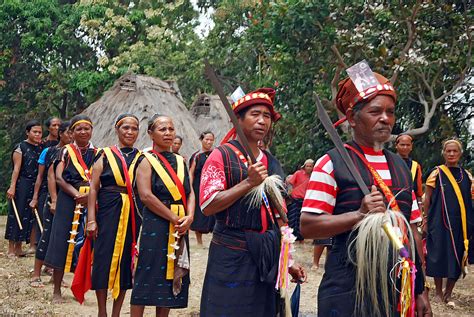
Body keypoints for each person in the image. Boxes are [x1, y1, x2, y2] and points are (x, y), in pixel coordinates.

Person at [300, 73, 431, 317]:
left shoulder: (402, 167)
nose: (385, 118)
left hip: (397, 286)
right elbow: (308, 226)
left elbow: (412, 230)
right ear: (351, 117)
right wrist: (359, 214)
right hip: (348, 287)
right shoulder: (331, 163)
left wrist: (420, 289)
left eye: (390, 112)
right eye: (375, 112)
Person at [199, 88, 306, 316]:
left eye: (267, 116)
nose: (262, 121)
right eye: (255, 114)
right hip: (231, 253)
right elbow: (208, 206)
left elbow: (281, 217)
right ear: (239, 119)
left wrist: (287, 260)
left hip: (266, 254)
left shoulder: (272, 162)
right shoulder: (221, 155)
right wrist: (249, 182)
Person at [130, 114, 195, 317]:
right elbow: (146, 196)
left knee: (169, 276)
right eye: (162, 129)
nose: (168, 133)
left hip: (180, 224)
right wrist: (174, 218)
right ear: (151, 133)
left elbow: (190, 192)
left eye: (171, 129)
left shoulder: (181, 161)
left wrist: (190, 216)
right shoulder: (145, 160)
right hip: (157, 224)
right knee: (147, 274)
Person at [87, 114, 141, 317]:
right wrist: (91, 219)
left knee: (127, 261)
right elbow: (93, 188)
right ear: (117, 130)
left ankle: (117, 312)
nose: (129, 132)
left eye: (134, 128)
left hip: (133, 214)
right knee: (102, 258)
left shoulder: (142, 158)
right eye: (125, 127)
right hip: (107, 212)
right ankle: (102, 311)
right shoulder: (104, 154)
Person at [44, 115, 96, 303]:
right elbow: (59, 177)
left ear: (91, 130)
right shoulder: (65, 151)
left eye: (86, 128)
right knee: (61, 241)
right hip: (69, 199)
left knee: (86, 244)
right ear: (72, 132)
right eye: (78, 129)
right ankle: (57, 289)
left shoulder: (98, 153)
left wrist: (88, 196)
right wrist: (77, 195)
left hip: (90, 200)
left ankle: (80, 286)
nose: (83, 132)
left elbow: (99, 180)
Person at [424, 139, 473, 306]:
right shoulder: (436, 173)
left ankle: (448, 293)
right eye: (448, 151)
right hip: (439, 221)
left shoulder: (467, 175)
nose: (451, 154)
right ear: (443, 153)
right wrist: (425, 220)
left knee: (458, 256)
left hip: (461, 224)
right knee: (438, 255)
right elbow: (427, 198)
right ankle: (438, 292)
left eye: (455, 151)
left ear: (460, 153)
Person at [30, 121, 71, 287]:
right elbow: (46, 177)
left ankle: (56, 276)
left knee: (63, 238)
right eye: (69, 132)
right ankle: (36, 274)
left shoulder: (74, 152)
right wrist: (48, 199)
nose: (72, 136)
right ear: (61, 133)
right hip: (52, 196)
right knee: (47, 235)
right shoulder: (50, 151)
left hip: (68, 197)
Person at [5, 120, 43, 257]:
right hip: (22, 184)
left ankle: (20, 247)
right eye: (35, 132)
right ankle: (11, 248)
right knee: (16, 214)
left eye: (40, 132)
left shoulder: (41, 149)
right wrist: (12, 187)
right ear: (28, 132)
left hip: (35, 185)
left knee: (28, 216)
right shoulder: (20, 147)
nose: (38, 134)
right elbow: (16, 169)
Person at [189, 131, 216, 245]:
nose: (209, 142)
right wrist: (189, 188)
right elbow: (191, 173)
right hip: (198, 187)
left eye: (211, 140)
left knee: (213, 212)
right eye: (206, 139)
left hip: (212, 187)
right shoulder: (197, 156)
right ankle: (199, 241)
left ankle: (213, 240)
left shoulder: (215, 154)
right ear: (201, 140)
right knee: (199, 213)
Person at [287, 159, 314, 241]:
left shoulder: (314, 176)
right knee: (292, 217)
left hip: (305, 201)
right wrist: (290, 191)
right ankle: (290, 236)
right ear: (304, 166)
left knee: (301, 219)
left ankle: (300, 237)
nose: (308, 168)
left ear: (313, 167)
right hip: (295, 198)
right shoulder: (298, 173)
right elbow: (290, 182)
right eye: (307, 166)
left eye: (310, 166)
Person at [395, 133, 423, 207]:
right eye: (402, 145)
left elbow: (418, 191)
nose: (405, 147)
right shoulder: (389, 161)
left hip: (410, 204)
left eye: (408, 145)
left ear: (411, 146)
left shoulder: (415, 166)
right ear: (396, 145)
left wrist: (420, 208)